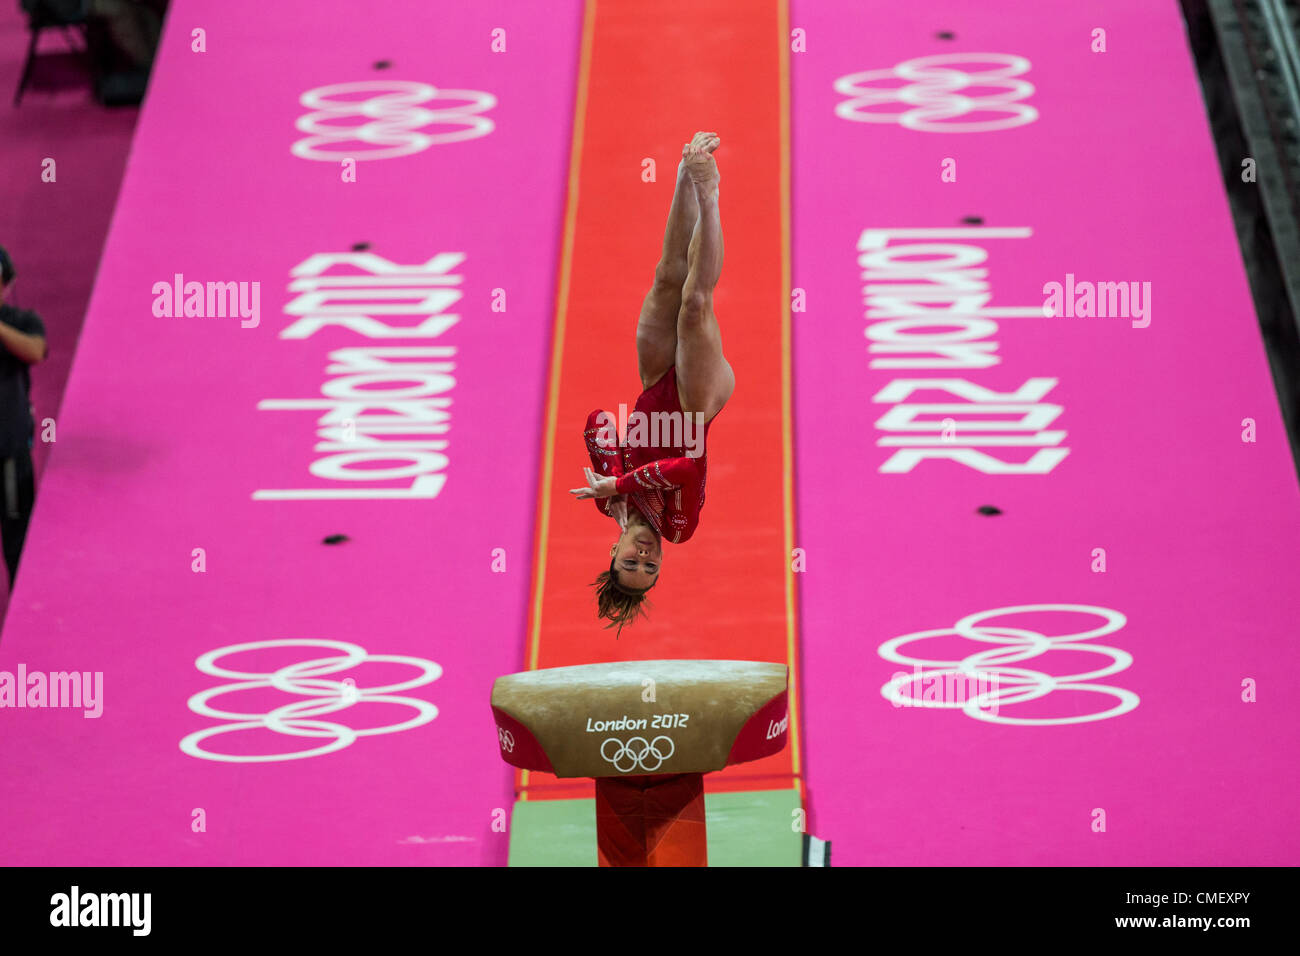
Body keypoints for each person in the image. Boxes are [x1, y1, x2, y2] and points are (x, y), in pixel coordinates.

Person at [569, 131, 734, 634]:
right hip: (695, 403)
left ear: (613, 550)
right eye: (650, 567)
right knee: (694, 305)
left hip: (653, 382)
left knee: (666, 276)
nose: (644, 556)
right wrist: (619, 482)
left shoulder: (607, 501)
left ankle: (686, 173)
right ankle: (710, 195)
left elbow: (597, 420)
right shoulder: (676, 529)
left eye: (630, 563)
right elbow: (686, 466)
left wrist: (612, 482)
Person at [0, 246, 49, 589]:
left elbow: (35, 351)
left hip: (9, 457)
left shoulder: (23, 322)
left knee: (18, 541)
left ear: (8, 283)